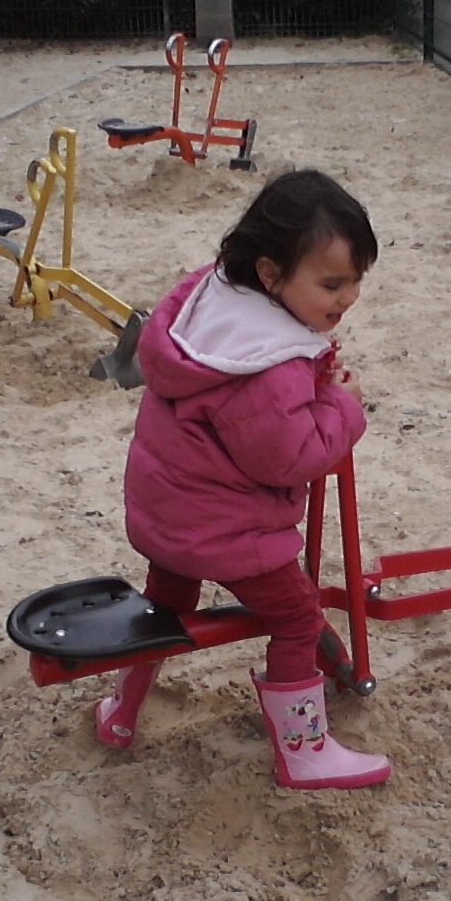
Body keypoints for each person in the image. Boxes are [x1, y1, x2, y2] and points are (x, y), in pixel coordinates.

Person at [93, 169, 389, 790]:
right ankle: (304, 753)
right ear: (270, 274)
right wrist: (342, 407)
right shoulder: (266, 363)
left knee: (165, 607)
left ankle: (121, 711)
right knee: (298, 617)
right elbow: (288, 458)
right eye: (332, 283)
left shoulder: (210, 305)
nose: (349, 297)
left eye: (357, 280)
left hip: (166, 514)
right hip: (225, 529)